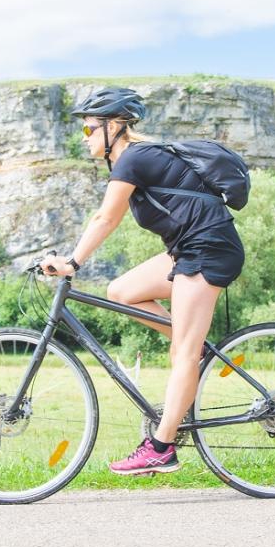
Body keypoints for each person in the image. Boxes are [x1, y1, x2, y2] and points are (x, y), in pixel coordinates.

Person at [39, 87, 246, 476]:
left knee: (181, 356)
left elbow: (106, 219)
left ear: (113, 126)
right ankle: (193, 349)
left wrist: (72, 262)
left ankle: (161, 448)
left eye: (88, 130)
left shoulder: (134, 157)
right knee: (121, 292)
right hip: (189, 248)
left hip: (208, 250)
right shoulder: (133, 160)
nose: (84, 139)